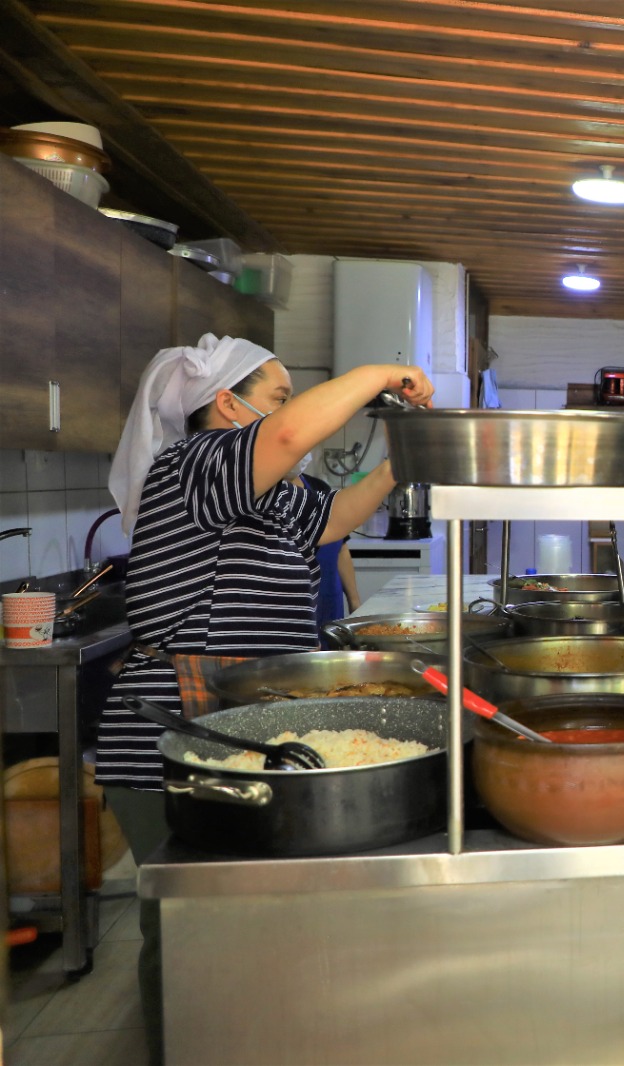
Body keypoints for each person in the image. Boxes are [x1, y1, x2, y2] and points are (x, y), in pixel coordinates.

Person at [102, 334, 432, 1063]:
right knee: (188, 926)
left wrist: (405, 457)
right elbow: (284, 435)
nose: (287, 411)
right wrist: (380, 372)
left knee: (241, 918)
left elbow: (336, 519)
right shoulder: (194, 465)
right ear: (227, 404)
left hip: (240, 724)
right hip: (176, 728)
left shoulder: (273, 493)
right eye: (278, 395)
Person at [301, 471, 362, 635]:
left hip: (329, 605)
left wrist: (354, 602)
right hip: (297, 613)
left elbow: (341, 548)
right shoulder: (267, 498)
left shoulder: (320, 489)